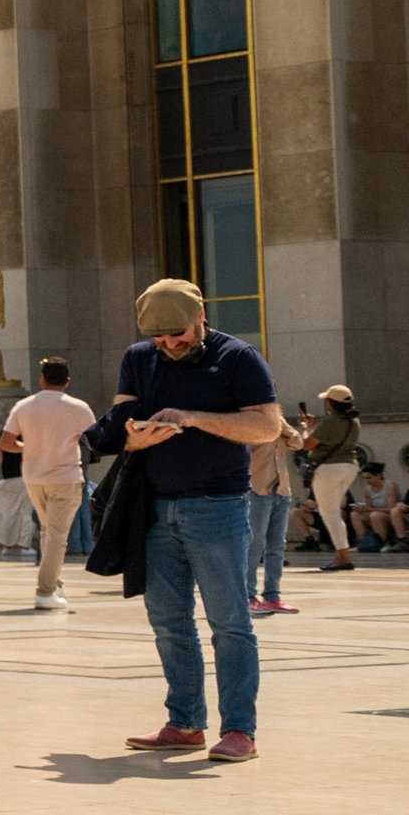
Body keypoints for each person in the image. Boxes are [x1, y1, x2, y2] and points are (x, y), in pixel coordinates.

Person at [108, 278, 283, 762]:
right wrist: (132, 438)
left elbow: (267, 426)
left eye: (177, 334)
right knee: (168, 623)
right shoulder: (138, 358)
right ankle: (184, 723)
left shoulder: (238, 358)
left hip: (217, 507)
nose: (168, 343)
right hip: (153, 508)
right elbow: (117, 423)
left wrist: (194, 417)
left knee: (230, 623)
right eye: (158, 337)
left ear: (200, 316)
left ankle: (240, 731)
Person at [0, 356, 94, 614]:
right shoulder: (79, 407)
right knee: (57, 537)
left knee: (47, 533)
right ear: (67, 381)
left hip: (35, 478)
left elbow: (6, 443)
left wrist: (29, 445)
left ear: (42, 379)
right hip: (66, 478)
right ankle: (45, 591)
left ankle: (55, 584)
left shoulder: (23, 406)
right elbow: (96, 440)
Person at [302, 383, 366, 574]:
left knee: (330, 513)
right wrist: (316, 427)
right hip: (349, 467)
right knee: (333, 512)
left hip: (328, 468)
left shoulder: (329, 422)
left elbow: (306, 445)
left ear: (331, 403)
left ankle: (343, 556)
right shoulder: (353, 421)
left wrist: (305, 428)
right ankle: (342, 554)